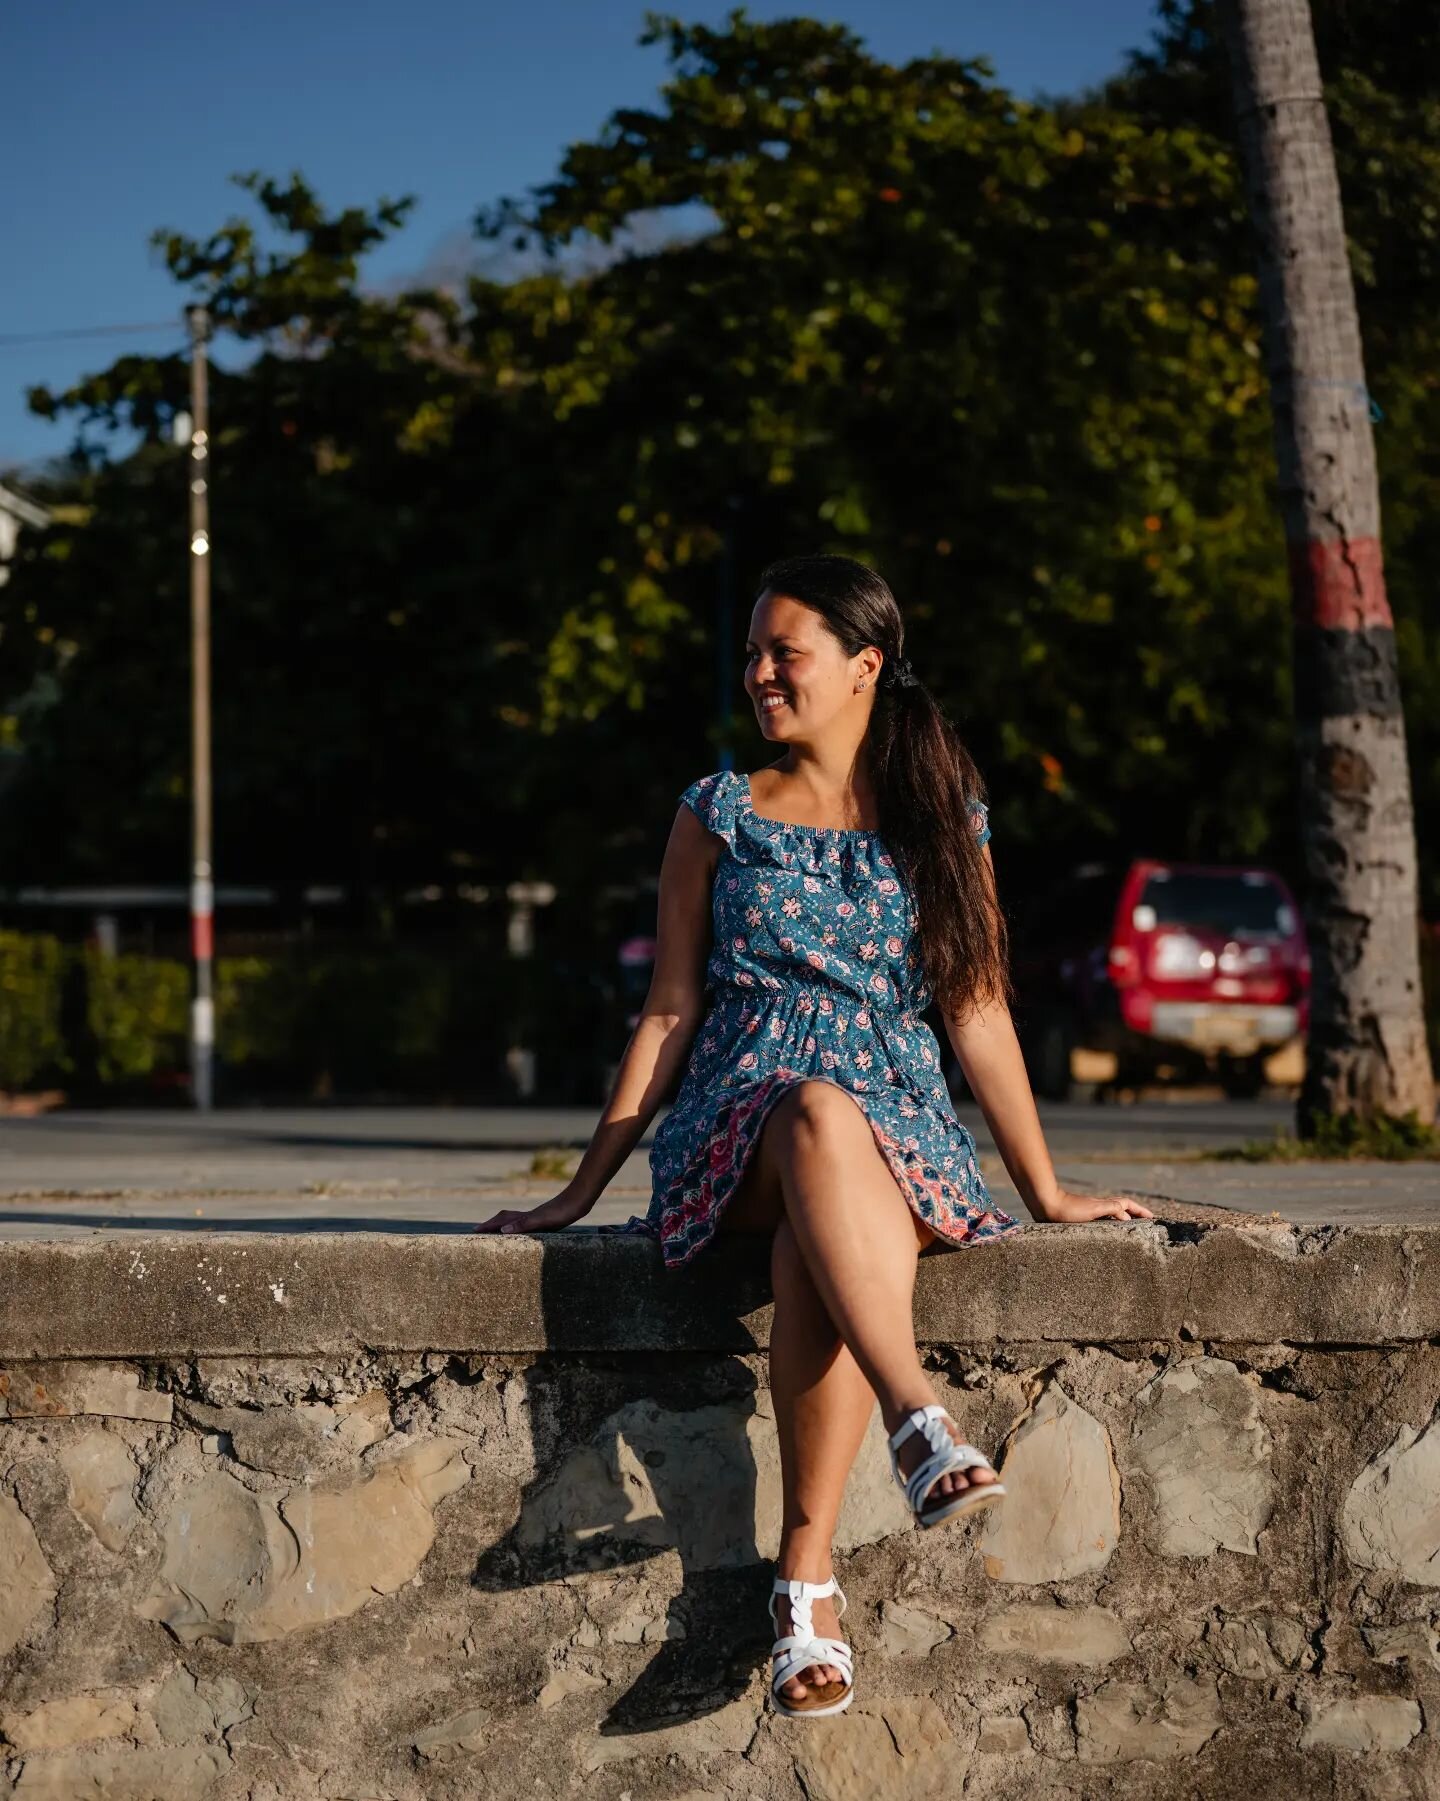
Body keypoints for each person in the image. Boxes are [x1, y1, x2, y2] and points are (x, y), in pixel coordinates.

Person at [473, 552, 1154, 1718]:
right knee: (812, 1112)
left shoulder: (946, 819)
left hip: (891, 1135)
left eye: (783, 652)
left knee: (814, 1244)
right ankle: (915, 1415)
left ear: (864, 665)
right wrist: (580, 1189)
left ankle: (804, 1582)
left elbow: (978, 1007)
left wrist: (1047, 1188)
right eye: (752, 653)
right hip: (744, 1121)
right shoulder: (717, 812)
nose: (760, 674)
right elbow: (672, 1008)